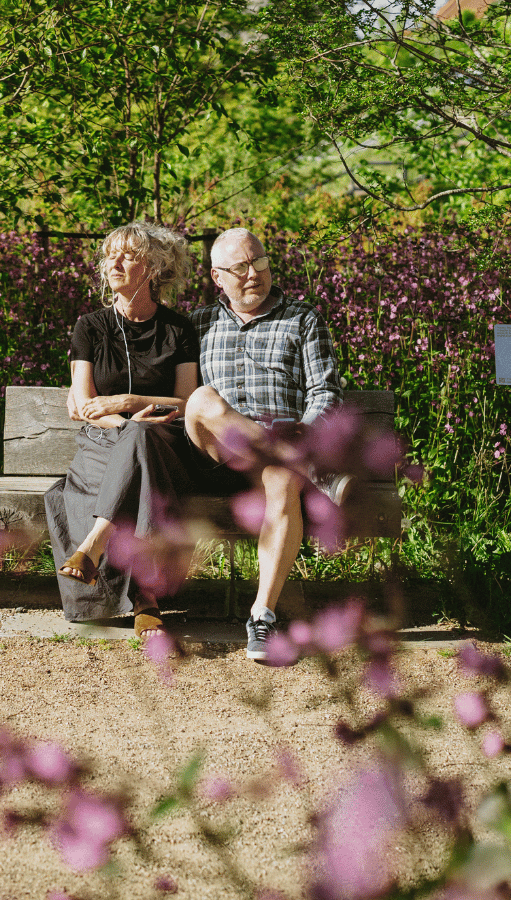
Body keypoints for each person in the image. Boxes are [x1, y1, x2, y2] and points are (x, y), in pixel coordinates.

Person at [184, 228, 346, 661]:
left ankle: (262, 615)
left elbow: (326, 395)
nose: (253, 274)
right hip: (214, 454)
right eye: (240, 267)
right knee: (203, 399)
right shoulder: (197, 323)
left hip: (277, 456)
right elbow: (176, 394)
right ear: (218, 276)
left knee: (281, 474)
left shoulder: (303, 318)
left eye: (259, 262)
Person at [44, 221, 200, 638]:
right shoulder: (90, 327)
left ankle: (93, 545)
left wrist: (129, 404)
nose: (114, 262)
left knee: (144, 436)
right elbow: (83, 404)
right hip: (103, 440)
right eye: (110, 254)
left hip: (164, 443)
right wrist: (126, 422)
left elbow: (188, 403)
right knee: (136, 438)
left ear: (154, 268)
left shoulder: (179, 329)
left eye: (128, 255)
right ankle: (146, 597)